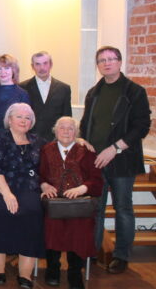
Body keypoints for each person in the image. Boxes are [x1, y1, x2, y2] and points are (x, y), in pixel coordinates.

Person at [79, 46, 151, 274]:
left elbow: (142, 126)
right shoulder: (93, 92)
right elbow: (86, 123)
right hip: (95, 162)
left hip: (122, 160)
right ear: (98, 65)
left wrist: (115, 148)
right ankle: (91, 253)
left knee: (123, 208)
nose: (107, 63)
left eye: (111, 59)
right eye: (102, 60)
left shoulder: (135, 92)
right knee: (95, 210)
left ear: (120, 62)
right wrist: (83, 140)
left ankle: (121, 256)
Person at [0, 103, 45, 289]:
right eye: (19, 117)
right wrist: (7, 194)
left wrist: (80, 141)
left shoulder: (38, 141)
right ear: (9, 120)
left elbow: (56, 153)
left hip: (29, 187)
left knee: (33, 211)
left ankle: (25, 274)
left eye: (27, 118)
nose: (24, 121)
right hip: (0, 185)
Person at [40, 117, 103, 289]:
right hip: (54, 202)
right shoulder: (46, 150)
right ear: (55, 131)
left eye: (70, 128)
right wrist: (44, 185)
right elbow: (40, 175)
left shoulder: (87, 151)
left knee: (80, 230)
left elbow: (97, 180)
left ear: (76, 133)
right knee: (51, 227)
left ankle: (75, 273)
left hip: (79, 204)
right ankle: (53, 269)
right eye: (62, 128)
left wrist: (82, 188)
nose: (66, 131)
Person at [20, 51, 72, 141]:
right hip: (30, 140)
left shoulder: (64, 88)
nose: (42, 68)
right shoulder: (22, 88)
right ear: (32, 66)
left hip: (55, 140)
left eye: (45, 63)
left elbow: (67, 117)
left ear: (51, 64)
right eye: (37, 64)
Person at [0, 54, 31, 133]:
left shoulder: (22, 94)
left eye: (7, 68)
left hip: (14, 138)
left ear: (14, 70)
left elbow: (26, 122)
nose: (3, 72)